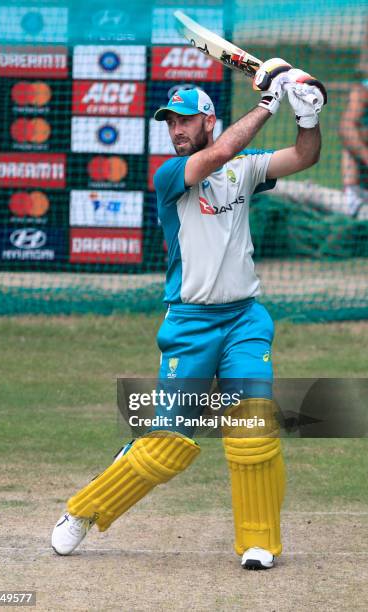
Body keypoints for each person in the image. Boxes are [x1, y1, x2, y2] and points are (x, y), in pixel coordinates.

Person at [51, 59, 325, 569]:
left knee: (253, 430)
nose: (175, 129)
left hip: (244, 318)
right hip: (190, 324)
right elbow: (221, 153)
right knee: (166, 445)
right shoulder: (171, 175)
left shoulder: (244, 170)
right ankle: (84, 511)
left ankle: (258, 542)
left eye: (184, 120)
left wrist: (308, 116)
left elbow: (303, 158)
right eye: (170, 122)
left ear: (207, 119)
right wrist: (271, 102)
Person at [339, 79, 368, 217]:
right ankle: (352, 198)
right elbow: (346, 127)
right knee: (353, 135)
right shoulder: (363, 90)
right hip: (360, 178)